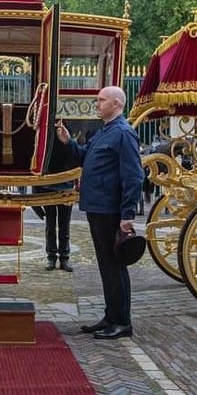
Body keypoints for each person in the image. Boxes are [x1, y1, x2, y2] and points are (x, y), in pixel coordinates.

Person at [56, 86, 144, 340]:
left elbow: (134, 176)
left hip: (111, 209)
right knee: (106, 265)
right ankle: (111, 316)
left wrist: (127, 215)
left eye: (101, 100)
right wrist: (68, 142)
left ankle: (122, 321)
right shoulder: (104, 132)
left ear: (116, 104)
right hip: (97, 207)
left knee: (115, 266)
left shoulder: (124, 134)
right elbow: (85, 158)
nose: (96, 103)